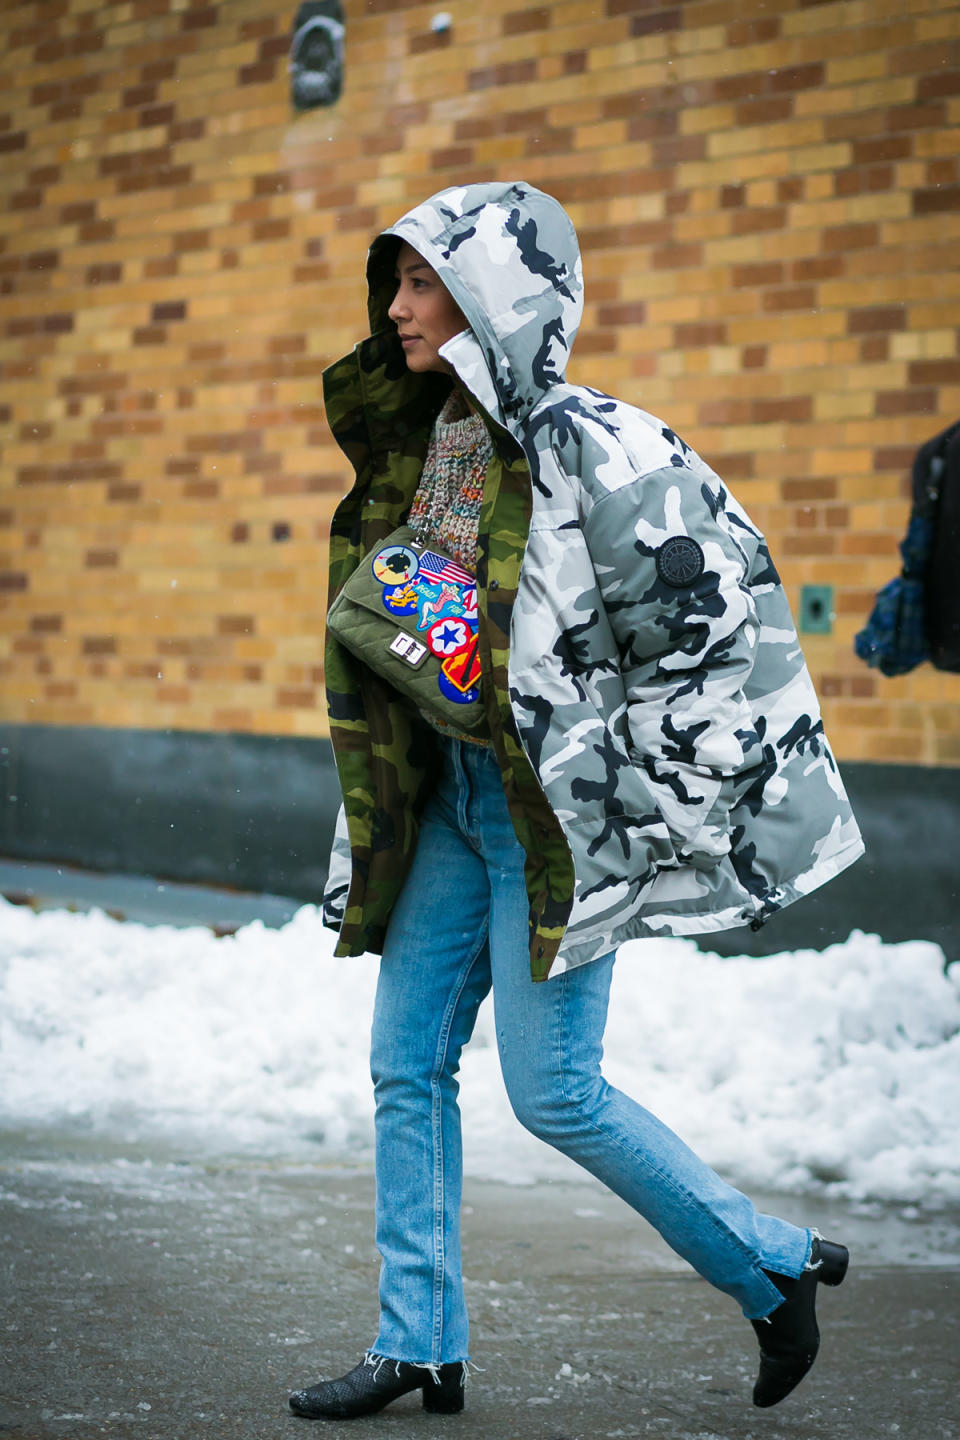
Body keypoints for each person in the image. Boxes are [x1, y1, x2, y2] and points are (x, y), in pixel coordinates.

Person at [289, 181, 863, 1422]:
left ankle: (767, 1262)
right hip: (446, 795)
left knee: (554, 1093)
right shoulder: (432, 429)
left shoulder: (612, 450)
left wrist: (659, 796)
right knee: (403, 1064)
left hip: (551, 817)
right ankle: (419, 1343)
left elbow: (708, 634)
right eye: (393, 283)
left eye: (422, 282)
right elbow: (437, 607)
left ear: (494, 294)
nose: (395, 308)